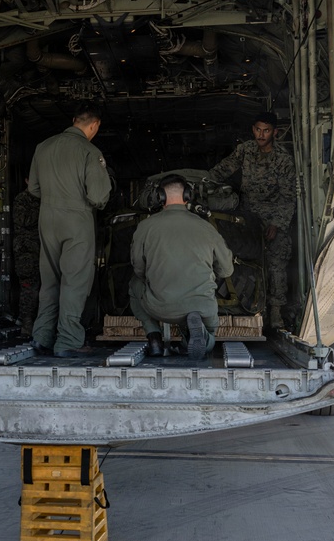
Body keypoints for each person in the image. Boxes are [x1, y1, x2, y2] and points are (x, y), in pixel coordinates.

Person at [28, 102, 111, 358]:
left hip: (48, 217)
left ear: (74, 119)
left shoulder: (43, 147)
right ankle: (69, 339)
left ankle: (42, 336)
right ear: (94, 125)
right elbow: (98, 196)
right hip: (76, 219)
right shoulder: (89, 151)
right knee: (75, 280)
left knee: (50, 280)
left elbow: (33, 189)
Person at [129, 175, 234, 360]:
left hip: (160, 308)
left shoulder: (145, 227)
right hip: (202, 307)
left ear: (159, 197)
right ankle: (200, 333)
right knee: (209, 335)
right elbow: (226, 270)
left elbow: (139, 269)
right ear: (187, 196)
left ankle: (154, 337)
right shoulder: (206, 227)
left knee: (134, 283)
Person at [208, 112, 295, 329]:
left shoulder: (283, 160)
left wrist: (277, 223)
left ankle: (275, 313)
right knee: (244, 262)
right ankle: (251, 306)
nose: (261, 134)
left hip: (273, 218)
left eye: (266, 130)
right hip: (247, 218)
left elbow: (289, 196)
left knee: (276, 266)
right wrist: (205, 181)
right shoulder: (245, 150)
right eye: (258, 129)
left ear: (274, 132)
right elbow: (224, 168)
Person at [12, 178, 41, 336]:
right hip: (26, 250)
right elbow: (22, 220)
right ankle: (27, 324)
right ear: (27, 181)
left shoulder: (43, 199)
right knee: (29, 287)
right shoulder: (22, 199)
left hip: (40, 249)